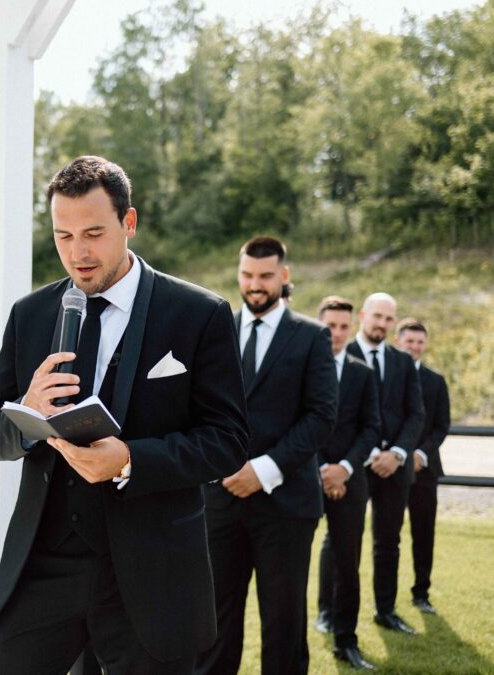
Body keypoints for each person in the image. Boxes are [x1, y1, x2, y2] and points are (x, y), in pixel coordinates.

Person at [0, 156, 248, 673]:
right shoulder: (29, 315)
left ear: (129, 223)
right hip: (45, 567)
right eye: (63, 236)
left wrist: (129, 460)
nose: (77, 253)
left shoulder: (199, 314)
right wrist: (26, 415)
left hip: (152, 574)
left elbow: (228, 440)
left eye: (94, 233)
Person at [195, 236, 337, 675]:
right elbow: (197, 408)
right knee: (213, 625)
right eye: (247, 276)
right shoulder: (213, 331)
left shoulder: (313, 337)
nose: (255, 285)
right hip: (219, 502)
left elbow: (321, 416)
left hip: (286, 504)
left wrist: (263, 469)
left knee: (284, 625)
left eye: (265, 276)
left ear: (284, 277)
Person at [347, 293, 425, 635]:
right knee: (340, 541)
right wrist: (364, 453)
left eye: (388, 319)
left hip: (394, 468)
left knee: (388, 541)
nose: (381, 323)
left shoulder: (403, 362)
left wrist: (397, 453)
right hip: (351, 464)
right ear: (363, 315)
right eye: (376, 316)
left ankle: (386, 610)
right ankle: (328, 611)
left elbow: (415, 414)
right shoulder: (340, 355)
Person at [314, 297, 381, 671]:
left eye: (343, 326)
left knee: (347, 562)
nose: (337, 334)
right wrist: (321, 469)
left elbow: (371, 427)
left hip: (350, 480)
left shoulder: (362, 372)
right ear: (318, 325)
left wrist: (343, 468)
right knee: (288, 566)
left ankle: (347, 641)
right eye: (330, 327)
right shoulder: (299, 368)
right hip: (303, 478)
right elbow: (295, 423)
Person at [396, 318, 450, 615]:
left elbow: (442, 426)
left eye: (419, 342)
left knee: (423, 532)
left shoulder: (436, 381)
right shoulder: (387, 377)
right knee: (388, 535)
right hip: (392, 469)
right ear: (398, 342)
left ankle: (421, 592)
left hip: (425, 470)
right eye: (409, 341)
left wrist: (420, 454)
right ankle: (385, 600)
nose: (415, 347)